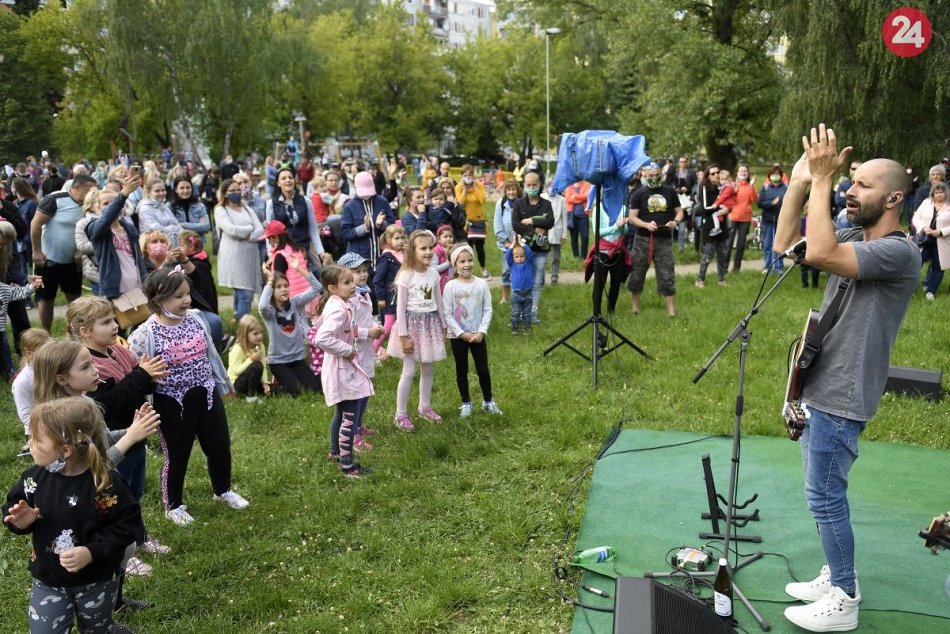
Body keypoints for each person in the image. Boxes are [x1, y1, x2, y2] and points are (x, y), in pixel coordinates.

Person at [774, 125, 920, 633]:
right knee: (821, 491)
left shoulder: (900, 251)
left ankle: (845, 597)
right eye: (848, 181)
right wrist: (800, 182)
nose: (849, 191)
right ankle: (836, 572)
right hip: (820, 378)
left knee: (825, 496)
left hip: (844, 391)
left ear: (895, 198)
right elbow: (786, 244)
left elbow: (819, 254)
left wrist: (821, 182)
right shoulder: (855, 233)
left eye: (862, 185)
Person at [3, 397, 141, 634]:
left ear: (65, 450)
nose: (30, 444)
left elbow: (127, 526)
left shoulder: (105, 483)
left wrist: (91, 552)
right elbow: (11, 507)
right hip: (48, 579)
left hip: (97, 580)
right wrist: (21, 521)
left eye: (36, 440)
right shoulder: (32, 479)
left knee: (97, 629)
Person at [128, 267, 249, 526]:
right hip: (171, 401)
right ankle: (173, 505)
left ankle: (223, 490)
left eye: (187, 294)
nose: (187, 300)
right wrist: (147, 378)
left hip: (205, 393)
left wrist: (223, 383)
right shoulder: (144, 334)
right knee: (178, 453)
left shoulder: (196, 318)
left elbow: (211, 355)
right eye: (179, 296)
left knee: (219, 445)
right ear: (159, 300)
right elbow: (136, 372)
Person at [66, 297, 171, 576]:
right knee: (115, 500)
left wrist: (150, 374)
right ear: (84, 330)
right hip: (114, 443)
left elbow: (137, 378)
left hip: (135, 437)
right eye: (105, 322)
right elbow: (108, 404)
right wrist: (141, 375)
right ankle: (123, 551)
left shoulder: (118, 351)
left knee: (134, 494)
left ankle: (139, 538)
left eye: (113, 319)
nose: (114, 325)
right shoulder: (88, 366)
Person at [311, 264, 374, 477]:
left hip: (340, 367)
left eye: (351, 281)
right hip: (341, 368)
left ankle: (335, 452)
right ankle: (348, 465)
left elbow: (347, 328)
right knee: (350, 415)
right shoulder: (338, 309)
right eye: (347, 282)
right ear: (332, 288)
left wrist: (361, 334)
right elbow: (323, 338)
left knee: (341, 411)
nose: (352, 285)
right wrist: (347, 349)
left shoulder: (340, 304)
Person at [387, 230, 447, 431]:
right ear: (413, 251)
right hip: (411, 327)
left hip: (430, 326)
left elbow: (439, 301)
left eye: (431, 247)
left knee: (428, 367)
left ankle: (425, 406)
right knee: (409, 371)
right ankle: (400, 413)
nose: (429, 252)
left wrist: (444, 325)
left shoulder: (433, 273)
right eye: (423, 248)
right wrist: (403, 336)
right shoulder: (406, 275)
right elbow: (400, 309)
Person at [30, 173, 96, 331]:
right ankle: (46, 334)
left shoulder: (90, 205)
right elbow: (35, 224)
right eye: (88, 189)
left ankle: (76, 332)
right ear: (76, 187)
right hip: (48, 260)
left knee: (74, 299)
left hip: (74, 262)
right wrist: (37, 251)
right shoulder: (55, 199)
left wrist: (81, 252)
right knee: (47, 299)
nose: (91, 193)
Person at [443, 244, 501, 416]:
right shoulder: (450, 286)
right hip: (457, 336)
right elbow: (447, 313)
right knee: (462, 370)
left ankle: (488, 401)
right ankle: (466, 403)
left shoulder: (482, 284)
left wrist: (481, 332)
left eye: (469, 260)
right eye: (462, 261)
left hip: (478, 336)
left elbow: (488, 309)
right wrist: (462, 333)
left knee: (483, 369)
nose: (467, 264)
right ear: (455, 265)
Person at [337, 253, 384, 452]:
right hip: (355, 352)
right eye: (357, 272)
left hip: (366, 350)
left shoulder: (364, 292)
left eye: (364, 270)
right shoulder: (349, 300)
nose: (363, 274)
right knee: (358, 393)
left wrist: (376, 326)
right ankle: (353, 434)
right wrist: (368, 332)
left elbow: (367, 317)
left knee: (366, 390)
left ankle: (358, 425)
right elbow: (350, 328)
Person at [258, 254, 323, 396]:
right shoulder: (269, 312)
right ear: (271, 291)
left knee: (314, 389)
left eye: (286, 286)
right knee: (296, 391)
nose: (284, 289)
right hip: (278, 362)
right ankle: (274, 387)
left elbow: (317, 287)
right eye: (279, 287)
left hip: (298, 359)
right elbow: (262, 306)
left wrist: (299, 269)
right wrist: (270, 279)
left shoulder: (295, 302)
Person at [625, 162, 683, 317]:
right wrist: (645, 225)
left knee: (667, 274)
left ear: (661, 174)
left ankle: (671, 311)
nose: (654, 178)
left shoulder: (670, 192)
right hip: (643, 239)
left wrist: (675, 222)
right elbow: (632, 218)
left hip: (664, 240)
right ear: (645, 175)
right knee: (637, 272)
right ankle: (635, 309)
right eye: (651, 175)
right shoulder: (638, 193)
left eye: (657, 175)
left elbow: (679, 212)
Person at [215, 178, 265, 321]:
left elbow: (260, 229)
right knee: (246, 294)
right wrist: (249, 230)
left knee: (241, 290)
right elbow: (231, 230)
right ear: (225, 193)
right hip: (233, 257)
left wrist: (249, 237)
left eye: (238, 189)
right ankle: (245, 327)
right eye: (232, 190)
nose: (236, 192)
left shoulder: (247, 208)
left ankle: (237, 320)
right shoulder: (221, 210)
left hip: (249, 257)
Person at [510, 172, 554, 323]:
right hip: (522, 249)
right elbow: (516, 224)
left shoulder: (546, 204)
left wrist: (530, 220)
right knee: (523, 280)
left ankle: (532, 311)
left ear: (540, 184)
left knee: (537, 281)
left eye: (534, 184)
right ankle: (519, 311)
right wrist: (535, 228)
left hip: (541, 249)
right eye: (528, 185)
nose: (531, 187)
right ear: (524, 186)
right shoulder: (519, 204)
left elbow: (550, 221)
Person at [266, 167, 330, 270]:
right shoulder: (271, 204)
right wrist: (271, 254)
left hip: (304, 248)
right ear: (278, 183)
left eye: (290, 177)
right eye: (283, 178)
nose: (288, 180)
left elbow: (313, 229)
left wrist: (320, 252)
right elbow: (269, 233)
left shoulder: (305, 201)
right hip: (283, 251)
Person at [340, 171, 395, 280]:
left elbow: (393, 228)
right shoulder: (349, 206)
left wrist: (383, 224)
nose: (366, 195)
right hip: (360, 262)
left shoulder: (382, 202)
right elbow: (345, 234)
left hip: (382, 257)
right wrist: (364, 228)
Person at [11, 328, 52, 457]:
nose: (51, 355)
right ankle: (32, 445)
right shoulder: (22, 382)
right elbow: (26, 414)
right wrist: (43, 431)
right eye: (46, 352)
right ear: (30, 354)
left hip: (57, 418)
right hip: (38, 429)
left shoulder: (51, 368)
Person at [587, 200, 631, 315]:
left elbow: (626, 230)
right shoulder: (599, 208)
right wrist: (616, 226)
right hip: (602, 251)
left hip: (618, 251)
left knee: (616, 283)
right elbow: (597, 232)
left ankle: (611, 311)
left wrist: (623, 226)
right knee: (599, 285)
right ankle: (597, 313)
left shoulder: (622, 207)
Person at [911, 181, 950, 300]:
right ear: (932, 193)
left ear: (946, 193)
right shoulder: (926, 202)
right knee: (915, 265)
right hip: (924, 239)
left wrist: (941, 231)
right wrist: (923, 227)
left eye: (941, 192)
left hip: (941, 241)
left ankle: (931, 291)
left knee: (938, 267)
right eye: (936, 192)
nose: (939, 195)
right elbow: (916, 217)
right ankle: (910, 289)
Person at [372, 224, 406, 359]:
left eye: (403, 238)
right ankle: (372, 352)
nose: (401, 241)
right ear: (388, 240)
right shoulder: (386, 257)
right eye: (397, 238)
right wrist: (380, 297)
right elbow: (377, 279)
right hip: (391, 297)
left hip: (403, 296)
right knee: (388, 326)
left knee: (402, 324)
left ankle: (399, 351)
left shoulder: (404, 254)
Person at [695, 166, 730, 288]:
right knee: (707, 255)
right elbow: (704, 208)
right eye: (713, 173)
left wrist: (727, 209)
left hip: (723, 225)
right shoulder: (705, 188)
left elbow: (730, 201)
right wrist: (720, 208)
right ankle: (700, 279)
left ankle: (721, 279)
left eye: (717, 172)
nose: (716, 175)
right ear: (708, 176)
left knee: (722, 254)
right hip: (710, 227)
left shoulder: (723, 187)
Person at [455, 165, 490, 278]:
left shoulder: (479, 185)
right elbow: (460, 202)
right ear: (462, 176)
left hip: (479, 220)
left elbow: (482, 200)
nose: (468, 177)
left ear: (473, 176)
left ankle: (483, 269)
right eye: (465, 175)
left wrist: (475, 188)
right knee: (467, 248)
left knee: (480, 247)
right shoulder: (459, 187)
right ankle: (468, 271)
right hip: (466, 221)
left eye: (470, 175)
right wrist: (465, 191)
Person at [229, 314, 272, 402]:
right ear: (245, 335)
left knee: (274, 389)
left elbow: (263, 366)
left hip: (252, 380)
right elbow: (236, 371)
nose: (259, 336)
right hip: (236, 384)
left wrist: (265, 383)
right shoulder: (238, 349)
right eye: (255, 334)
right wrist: (250, 360)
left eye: (261, 332)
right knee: (256, 365)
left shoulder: (261, 346)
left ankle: (258, 390)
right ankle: (251, 397)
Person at [726, 164, 758, 272]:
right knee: (728, 243)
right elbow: (728, 198)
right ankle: (724, 267)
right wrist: (734, 189)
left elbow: (754, 200)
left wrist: (752, 186)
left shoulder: (750, 186)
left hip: (745, 219)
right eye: (741, 171)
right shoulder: (733, 185)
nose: (743, 173)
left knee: (740, 245)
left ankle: (736, 268)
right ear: (737, 173)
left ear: (748, 174)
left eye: (745, 172)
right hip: (733, 217)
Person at [493, 179, 520, 304]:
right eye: (508, 189)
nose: (511, 192)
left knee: (519, 271)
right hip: (507, 245)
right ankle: (504, 297)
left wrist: (519, 243)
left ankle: (518, 296)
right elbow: (497, 225)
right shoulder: (501, 203)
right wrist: (507, 242)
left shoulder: (523, 203)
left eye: (513, 189)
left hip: (521, 244)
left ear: (517, 190)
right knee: (506, 271)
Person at [759, 165, 788, 275]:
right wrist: (771, 203)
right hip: (767, 220)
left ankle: (779, 266)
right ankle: (767, 266)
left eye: (777, 174)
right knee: (768, 244)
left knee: (779, 244)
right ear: (769, 176)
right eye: (773, 174)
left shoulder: (785, 188)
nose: (775, 176)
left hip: (781, 220)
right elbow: (760, 203)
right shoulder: (765, 188)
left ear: (780, 176)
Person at [506, 235, 534, 334]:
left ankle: (526, 328)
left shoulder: (528, 263)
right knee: (516, 312)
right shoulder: (512, 264)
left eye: (522, 256)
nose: (519, 258)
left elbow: (529, 253)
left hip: (528, 293)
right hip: (516, 294)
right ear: (513, 258)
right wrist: (513, 242)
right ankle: (514, 328)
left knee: (527, 313)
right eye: (516, 257)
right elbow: (507, 255)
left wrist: (521, 243)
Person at [169, 176, 211, 242]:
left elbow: (206, 226)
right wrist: (198, 226)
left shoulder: (199, 206)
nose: (185, 190)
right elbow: (171, 228)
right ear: (176, 190)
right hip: (178, 245)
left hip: (197, 245)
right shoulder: (169, 207)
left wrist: (183, 225)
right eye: (182, 188)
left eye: (188, 187)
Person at [564, 180, 591, 259]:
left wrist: (575, 196)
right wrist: (581, 198)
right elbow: (568, 199)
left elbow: (587, 196)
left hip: (584, 215)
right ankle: (575, 255)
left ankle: (584, 256)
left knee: (585, 237)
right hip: (572, 215)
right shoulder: (569, 185)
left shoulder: (587, 184)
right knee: (574, 237)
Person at [709, 169, 735, 237]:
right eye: (721, 180)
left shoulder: (728, 188)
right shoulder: (725, 187)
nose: (723, 181)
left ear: (729, 179)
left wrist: (716, 204)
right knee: (718, 214)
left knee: (715, 214)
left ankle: (717, 228)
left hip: (728, 205)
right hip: (725, 205)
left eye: (725, 179)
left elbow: (722, 196)